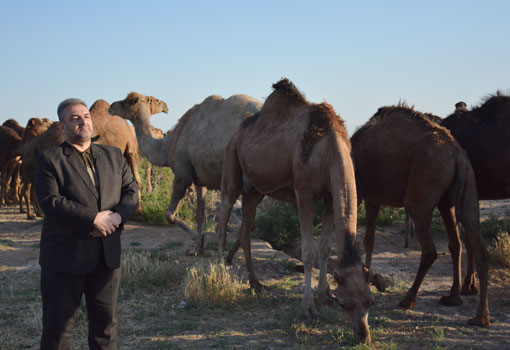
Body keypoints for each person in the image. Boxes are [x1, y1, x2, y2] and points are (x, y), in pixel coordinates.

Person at [35, 98, 139, 349]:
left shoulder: (113, 155)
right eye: (75, 118)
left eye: (86, 116)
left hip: (106, 257)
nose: (83, 121)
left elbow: (131, 192)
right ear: (62, 128)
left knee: (106, 329)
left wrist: (116, 217)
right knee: (58, 331)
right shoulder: (50, 159)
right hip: (65, 258)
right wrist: (93, 218)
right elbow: (50, 201)